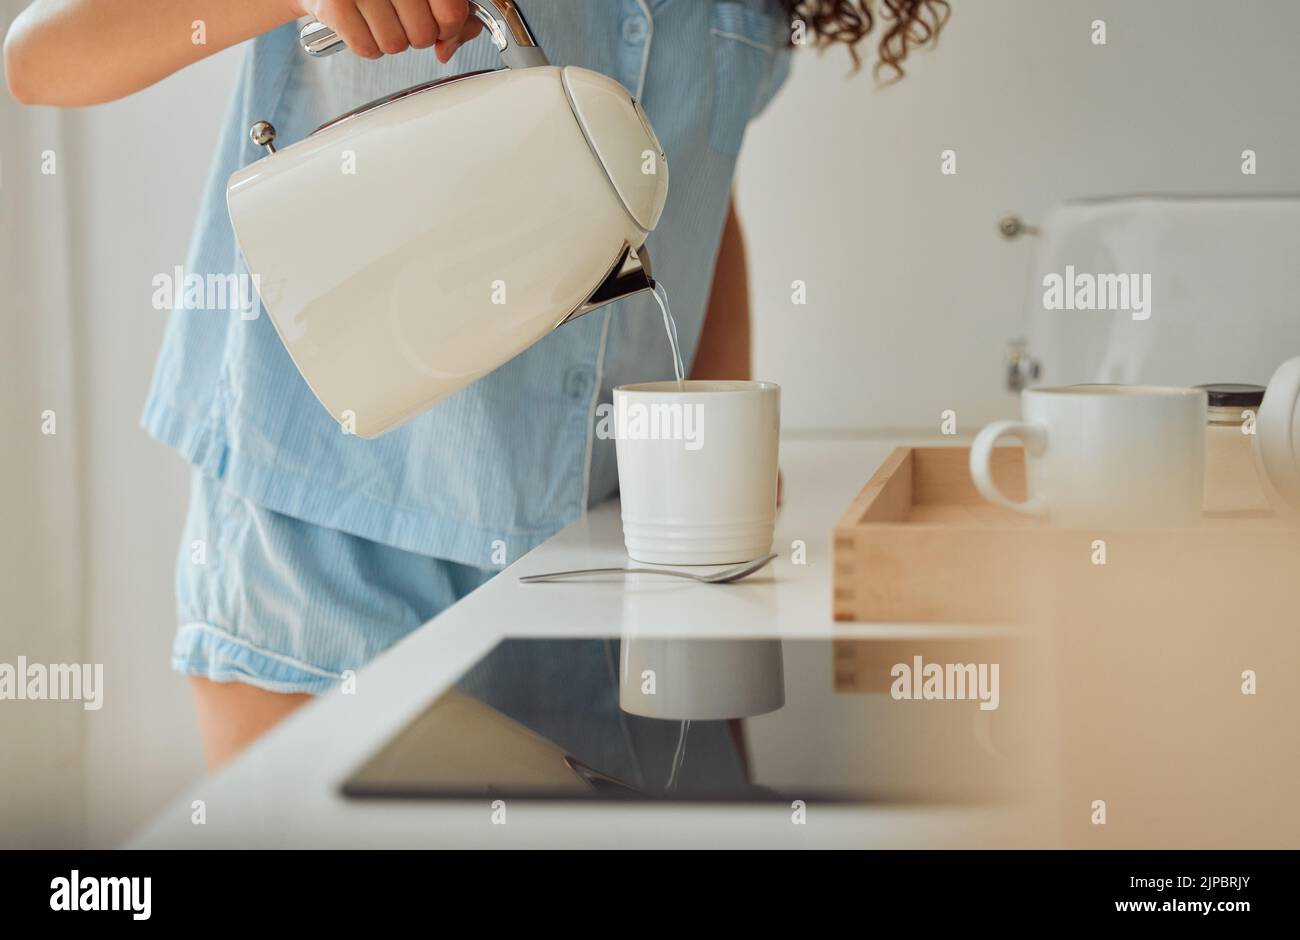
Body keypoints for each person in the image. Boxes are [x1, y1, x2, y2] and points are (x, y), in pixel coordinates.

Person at [4, 0, 948, 771]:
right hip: (333, 577)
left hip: (614, 585)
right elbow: (41, 55)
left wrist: (724, 479)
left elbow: (699, 187)